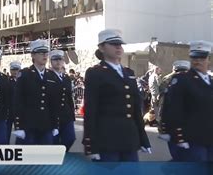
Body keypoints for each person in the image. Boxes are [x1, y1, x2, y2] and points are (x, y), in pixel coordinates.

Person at [82, 29, 151, 162]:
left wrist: (143, 139)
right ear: (102, 47)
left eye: (119, 44)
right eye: (113, 44)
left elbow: (136, 109)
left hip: (129, 138)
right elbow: (91, 110)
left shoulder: (128, 72)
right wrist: (91, 145)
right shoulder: (95, 73)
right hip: (107, 140)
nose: (118, 47)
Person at [163, 41, 213, 161]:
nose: (198, 61)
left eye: (202, 58)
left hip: (210, 138)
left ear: (209, 59)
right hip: (192, 139)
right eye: (195, 58)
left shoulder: (211, 82)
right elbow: (174, 109)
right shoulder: (182, 80)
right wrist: (178, 137)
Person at [13, 39, 59, 145]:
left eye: (46, 52)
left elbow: (54, 103)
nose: (44, 55)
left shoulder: (51, 75)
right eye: (41, 52)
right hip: (28, 124)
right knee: (27, 158)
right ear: (33, 55)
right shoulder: (24, 74)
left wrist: (55, 125)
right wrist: (19, 126)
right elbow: (18, 101)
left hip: (46, 124)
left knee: (45, 158)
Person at [157, 60, 190, 161]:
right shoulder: (191, 79)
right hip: (187, 117)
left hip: (167, 114)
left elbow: (161, 92)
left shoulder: (167, 78)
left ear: (174, 68)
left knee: (174, 144)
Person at [49, 50, 76, 152]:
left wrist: (72, 114)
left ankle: (62, 153)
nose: (58, 62)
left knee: (70, 138)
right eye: (55, 59)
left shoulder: (66, 78)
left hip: (66, 114)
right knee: (54, 140)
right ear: (51, 61)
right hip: (53, 115)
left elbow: (69, 97)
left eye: (60, 59)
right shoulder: (47, 76)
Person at [7, 61, 21, 143]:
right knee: (6, 134)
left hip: (19, 111)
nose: (15, 72)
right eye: (13, 70)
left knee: (20, 135)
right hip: (9, 111)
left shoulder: (23, 81)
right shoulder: (7, 81)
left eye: (17, 70)